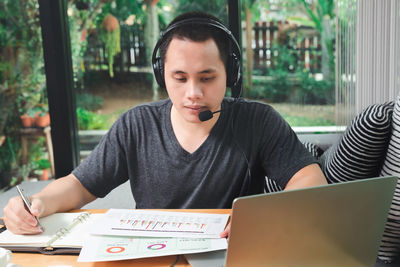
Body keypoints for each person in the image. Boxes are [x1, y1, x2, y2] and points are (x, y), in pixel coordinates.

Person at [3, 12, 327, 237]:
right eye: (180, 77)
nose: (193, 94)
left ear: (231, 75)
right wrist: (37, 204)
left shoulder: (257, 121)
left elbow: (310, 179)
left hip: (230, 255)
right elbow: (79, 186)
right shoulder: (136, 125)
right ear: (162, 75)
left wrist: (267, 217)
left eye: (207, 78)